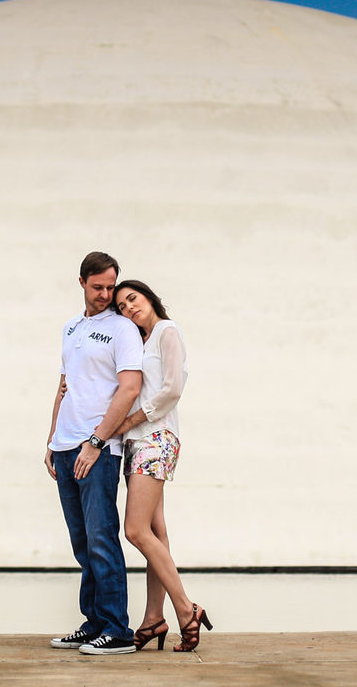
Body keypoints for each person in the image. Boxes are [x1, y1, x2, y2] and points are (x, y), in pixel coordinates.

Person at [45, 251, 144, 655]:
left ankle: (118, 629)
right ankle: (94, 623)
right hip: (65, 446)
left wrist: (97, 441)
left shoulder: (122, 330)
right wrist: (51, 440)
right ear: (82, 282)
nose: (105, 294)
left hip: (97, 449)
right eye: (97, 287)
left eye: (110, 287)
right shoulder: (70, 327)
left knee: (102, 537)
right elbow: (64, 385)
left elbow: (130, 389)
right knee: (82, 542)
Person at [111, 278, 212, 652]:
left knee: (135, 531)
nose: (128, 308)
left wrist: (133, 419)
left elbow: (172, 388)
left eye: (132, 299)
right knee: (155, 530)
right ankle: (154, 618)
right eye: (121, 307)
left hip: (156, 439)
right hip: (137, 443)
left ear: (149, 297)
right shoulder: (139, 342)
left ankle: (186, 610)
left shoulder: (168, 331)